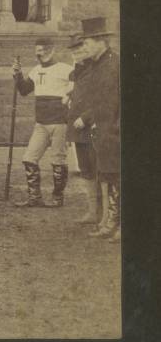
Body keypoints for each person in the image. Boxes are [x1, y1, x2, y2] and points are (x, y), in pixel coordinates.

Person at [12, 37, 73, 208]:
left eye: (45, 50)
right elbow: (24, 90)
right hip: (41, 124)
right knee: (29, 158)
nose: (41, 54)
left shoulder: (66, 69)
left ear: (52, 50)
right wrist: (17, 75)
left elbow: (78, 88)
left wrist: (70, 100)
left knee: (58, 161)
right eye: (38, 51)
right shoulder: (35, 70)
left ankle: (57, 198)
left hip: (60, 122)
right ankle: (34, 197)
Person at [76, 18, 119, 242]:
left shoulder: (112, 65)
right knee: (107, 174)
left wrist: (108, 127)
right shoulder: (97, 65)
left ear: (102, 41)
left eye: (88, 42)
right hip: (101, 127)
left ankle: (116, 223)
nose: (85, 47)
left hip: (113, 128)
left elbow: (112, 102)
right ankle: (109, 220)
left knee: (115, 176)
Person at [65, 33, 99, 224]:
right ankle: (92, 211)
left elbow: (102, 99)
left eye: (80, 49)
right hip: (78, 128)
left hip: (91, 125)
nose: (77, 53)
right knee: (86, 169)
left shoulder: (95, 70)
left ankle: (104, 213)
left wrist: (86, 118)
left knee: (98, 169)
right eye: (74, 50)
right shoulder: (78, 70)